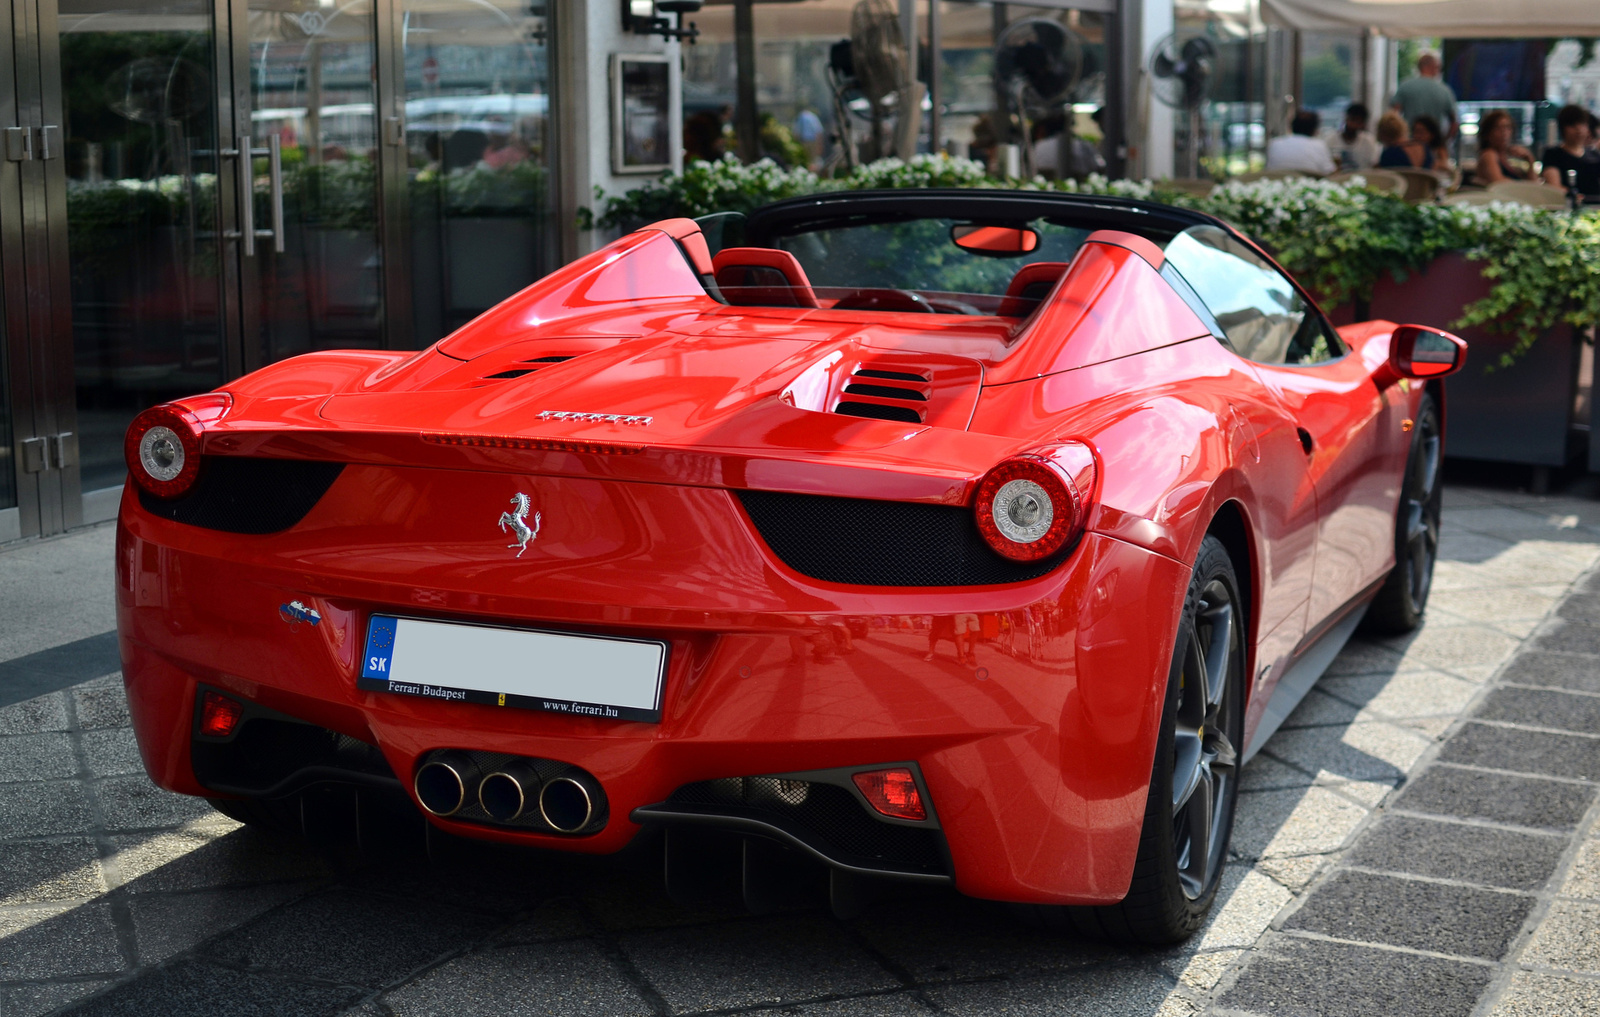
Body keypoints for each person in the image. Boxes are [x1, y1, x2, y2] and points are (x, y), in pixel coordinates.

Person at [1390, 50, 1458, 140]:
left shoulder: (1405, 87)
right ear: (1434, 67)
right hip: (1434, 144)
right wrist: (1444, 141)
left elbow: (1394, 115)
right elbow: (1454, 123)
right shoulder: (1444, 91)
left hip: (1410, 142)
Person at [1540, 103, 1600, 198]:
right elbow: (1553, 186)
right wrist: (1573, 196)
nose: (1578, 129)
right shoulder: (1553, 154)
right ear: (1563, 128)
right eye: (1572, 125)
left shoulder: (1594, 155)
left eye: (1582, 124)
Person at [1265, 109, 1336, 175]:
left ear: (1291, 126)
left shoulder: (1275, 143)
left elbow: (1269, 168)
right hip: (1310, 186)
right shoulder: (1319, 145)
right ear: (1315, 129)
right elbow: (1329, 171)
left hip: (1277, 184)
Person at [1474, 109, 1534, 184]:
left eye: (1507, 127)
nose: (1504, 132)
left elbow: (1534, 184)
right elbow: (1499, 182)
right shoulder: (1489, 155)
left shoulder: (1507, 158)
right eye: (1498, 128)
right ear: (1488, 133)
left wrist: (1530, 159)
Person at [1326, 102, 1379, 171]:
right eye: (1352, 120)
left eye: (1358, 122)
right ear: (1345, 119)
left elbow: (1374, 165)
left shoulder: (1369, 141)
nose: (1353, 125)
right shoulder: (1330, 140)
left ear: (1363, 124)